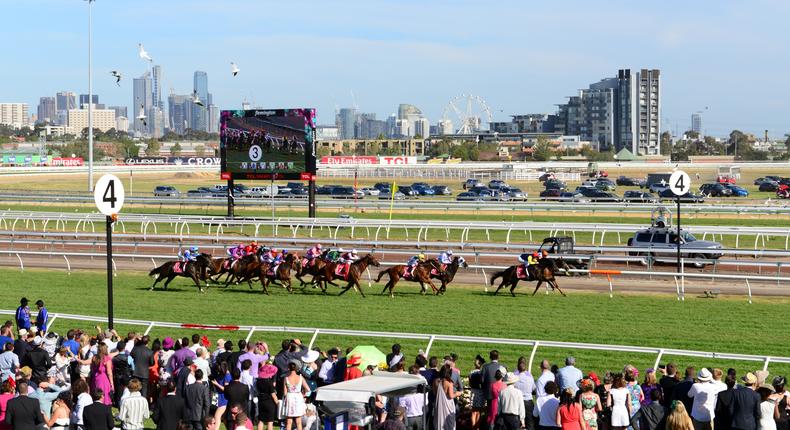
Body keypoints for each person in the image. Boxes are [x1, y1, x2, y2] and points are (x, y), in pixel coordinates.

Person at [283, 359, 310, 430]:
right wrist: (303, 394)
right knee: (298, 421)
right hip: (298, 397)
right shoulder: (300, 377)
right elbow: (308, 389)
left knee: (289, 421)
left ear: (289, 368)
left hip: (290, 397)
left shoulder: (286, 378)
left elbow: (285, 392)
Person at [399, 365, 427, 430]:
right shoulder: (421, 389)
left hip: (409, 417)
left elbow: (402, 405)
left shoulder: (405, 388)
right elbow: (425, 402)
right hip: (418, 416)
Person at [435, 364, 461, 430]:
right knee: (449, 423)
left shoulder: (436, 381)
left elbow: (435, 392)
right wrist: (458, 393)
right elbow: (451, 395)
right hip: (448, 405)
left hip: (439, 404)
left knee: (440, 420)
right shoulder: (449, 383)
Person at [514, 356, 537, 430]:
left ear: (518, 366)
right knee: (530, 423)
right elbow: (534, 388)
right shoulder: (530, 377)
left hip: (517, 403)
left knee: (517, 423)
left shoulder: (514, 377)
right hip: (528, 402)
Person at [256, 361, 279, 430]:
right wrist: (278, 403)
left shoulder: (258, 381)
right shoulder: (269, 383)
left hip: (261, 401)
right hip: (269, 402)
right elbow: (273, 395)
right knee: (270, 422)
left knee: (261, 420)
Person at [468, 355, 485, 430]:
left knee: (473, 412)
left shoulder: (471, 372)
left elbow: (470, 384)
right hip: (481, 393)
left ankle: (473, 427)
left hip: (474, 391)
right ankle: (477, 427)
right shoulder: (482, 373)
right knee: (479, 412)